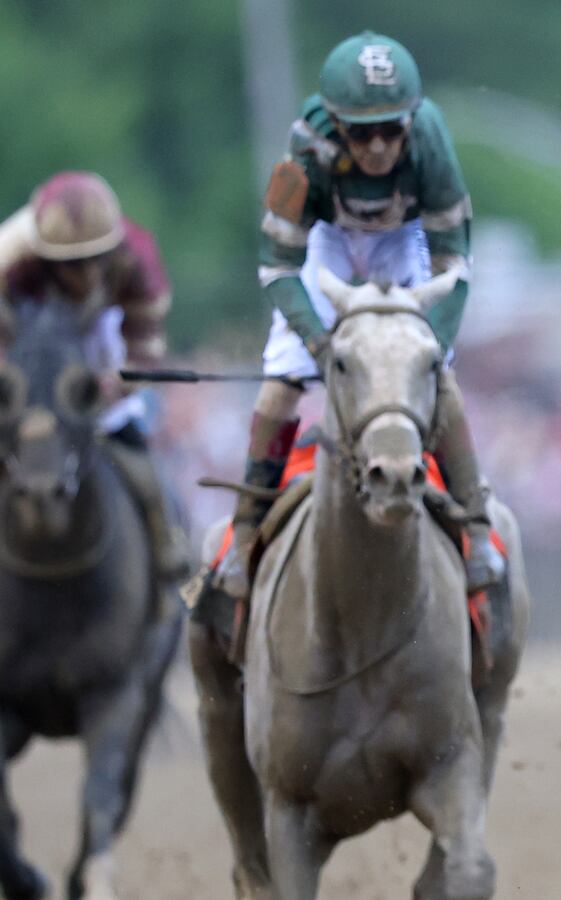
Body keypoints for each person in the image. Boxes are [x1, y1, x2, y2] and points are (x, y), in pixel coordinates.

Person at [210, 31, 503, 603]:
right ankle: (244, 536)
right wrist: (318, 347)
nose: (376, 146)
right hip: (327, 244)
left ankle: (478, 530)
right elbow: (277, 266)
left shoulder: (431, 142)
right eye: (361, 131)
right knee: (278, 391)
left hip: (404, 241)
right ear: (335, 123)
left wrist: (430, 345)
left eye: (390, 129)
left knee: (438, 379)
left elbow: (454, 268)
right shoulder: (304, 148)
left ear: (411, 120)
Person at [0, 171, 189, 582]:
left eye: (93, 259)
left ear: (112, 250)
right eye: (69, 263)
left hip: (104, 332)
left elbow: (146, 349)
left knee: (131, 444)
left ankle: (165, 539)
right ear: (43, 255)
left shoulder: (139, 261)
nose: (83, 274)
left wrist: (113, 386)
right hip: (32, 337)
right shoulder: (11, 260)